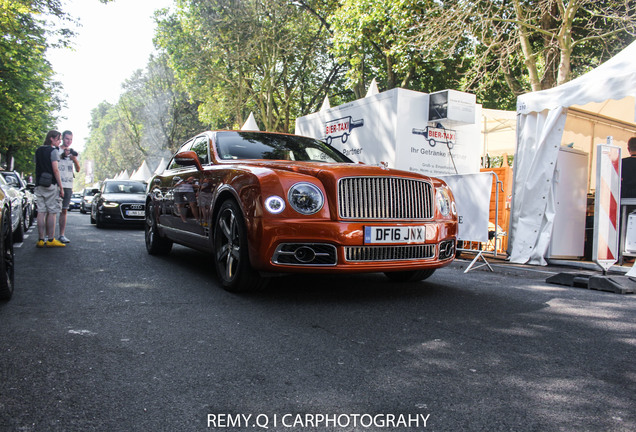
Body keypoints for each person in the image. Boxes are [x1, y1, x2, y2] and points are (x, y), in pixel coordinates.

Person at [34, 130, 65, 247]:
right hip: (50, 185)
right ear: (51, 139)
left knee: (41, 212)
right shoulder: (53, 151)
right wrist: (61, 187)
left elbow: (37, 166)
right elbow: (55, 170)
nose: (59, 141)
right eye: (58, 139)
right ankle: (51, 239)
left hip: (39, 184)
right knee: (52, 212)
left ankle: (41, 239)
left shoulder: (38, 150)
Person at [57, 130, 80, 243]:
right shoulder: (56, 150)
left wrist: (74, 160)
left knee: (64, 210)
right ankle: (47, 235)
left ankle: (62, 234)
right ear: (62, 138)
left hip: (68, 185)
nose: (69, 141)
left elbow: (78, 169)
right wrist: (62, 155)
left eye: (71, 139)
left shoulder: (74, 153)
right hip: (56, 183)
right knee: (50, 210)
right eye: (67, 139)